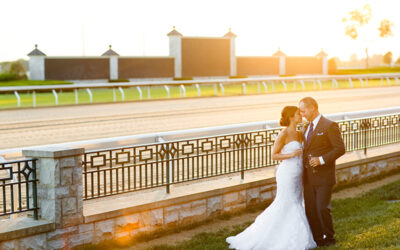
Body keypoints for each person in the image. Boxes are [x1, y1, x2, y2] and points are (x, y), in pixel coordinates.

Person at [226, 106, 317, 250]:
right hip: (287, 173)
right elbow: (274, 155)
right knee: (287, 202)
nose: (301, 116)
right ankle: (273, 236)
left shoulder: (300, 133)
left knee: (298, 200)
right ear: (291, 117)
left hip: (298, 173)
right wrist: (291, 155)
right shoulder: (284, 134)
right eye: (297, 114)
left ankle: (295, 234)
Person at [299, 97, 345, 247]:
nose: (302, 114)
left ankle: (330, 238)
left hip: (324, 177)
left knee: (322, 208)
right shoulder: (305, 127)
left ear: (312, 108)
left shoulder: (329, 125)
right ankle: (318, 239)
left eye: (303, 110)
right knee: (311, 210)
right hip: (308, 178)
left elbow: (340, 149)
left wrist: (322, 160)